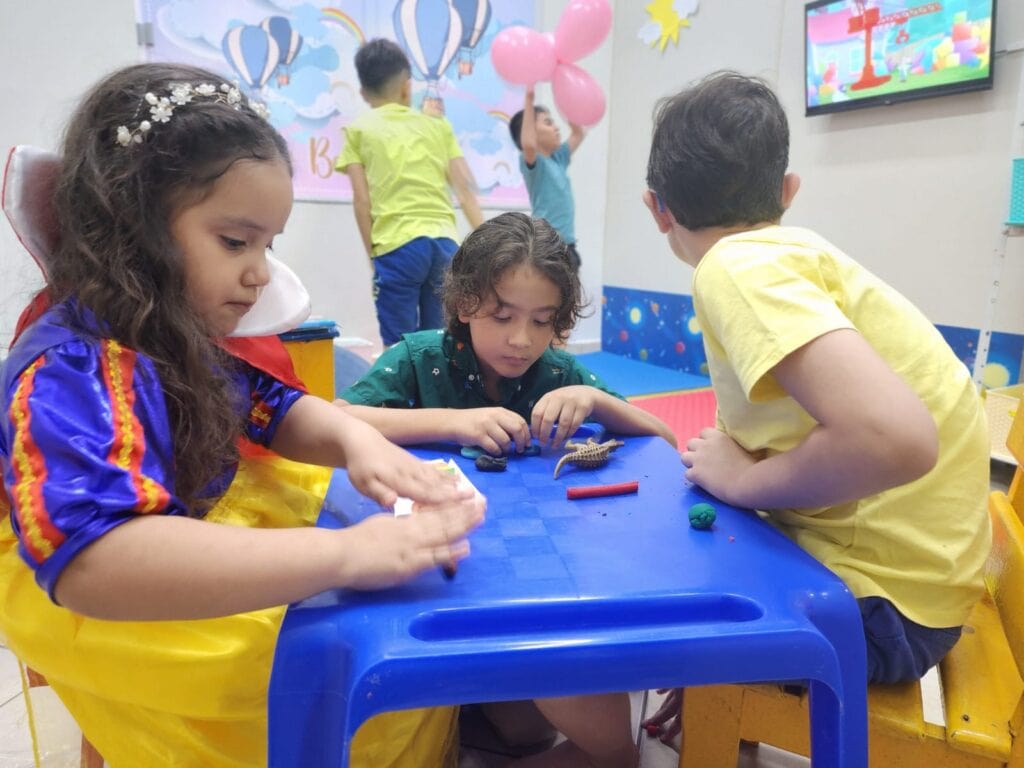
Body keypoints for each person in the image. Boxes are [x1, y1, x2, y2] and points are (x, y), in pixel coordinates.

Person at [0, 62, 486, 768]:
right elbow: (94, 559)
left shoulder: (172, 328)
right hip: (90, 583)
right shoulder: (72, 365)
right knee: (303, 662)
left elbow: (269, 406)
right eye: (236, 242)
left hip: (156, 536)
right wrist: (349, 555)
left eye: (268, 244)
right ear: (132, 227)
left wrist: (353, 439)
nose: (260, 271)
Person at [639, 71, 990, 743]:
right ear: (787, 192)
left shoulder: (735, 267)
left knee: (656, 576)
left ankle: (711, 708)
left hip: (882, 609)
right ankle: (720, 693)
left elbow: (895, 439)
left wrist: (742, 478)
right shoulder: (792, 253)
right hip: (916, 589)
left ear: (658, 209)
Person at [337, 211, 675, 768]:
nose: (523, 340)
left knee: (535, 727)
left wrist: (598, 403)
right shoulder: (420, 358)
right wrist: (452, 422)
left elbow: (662, 438)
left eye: (542, 321)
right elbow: (337, 418)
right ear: (465, 302)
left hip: (537, 580)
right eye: (503, 316)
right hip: (442, 579)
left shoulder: (561, 372)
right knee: (508, 723)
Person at [337, 38, 484, 346]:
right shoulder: (436, 126)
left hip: (397, 245)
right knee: (439, 342)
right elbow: (465, 190)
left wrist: (373, 257)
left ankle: (401, 395)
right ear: (407, 86)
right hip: (444, 244)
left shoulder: (358, 130)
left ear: (363, 92)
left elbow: (362, 201)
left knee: (399, 346)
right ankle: (437, 394)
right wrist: (488, 242)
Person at [509, 86, 585, 270]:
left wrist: (567, 101)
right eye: (548, 123)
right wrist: (528, 100)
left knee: (569, 298)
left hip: (568, 245)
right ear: (532, 132)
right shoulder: (536, 164)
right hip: (547, 247)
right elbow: (528, 143)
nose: (556, 127)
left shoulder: (558, 159)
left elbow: (578, 133)